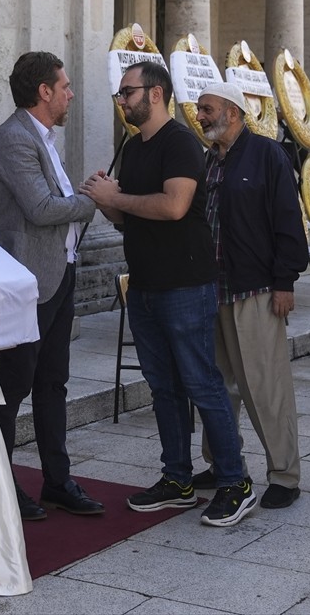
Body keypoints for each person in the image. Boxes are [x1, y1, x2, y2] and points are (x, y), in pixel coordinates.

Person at [80, 61, 254, 528]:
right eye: (120, 94)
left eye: (127, 92)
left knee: (201, 383)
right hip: (146, 284)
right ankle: (176, 479)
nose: (121, 100)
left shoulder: (180, 143)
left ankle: (234, 481)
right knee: (163, 388)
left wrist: (118, 200)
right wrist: (106, 201)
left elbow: (175, 206)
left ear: (155, 94)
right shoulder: (134, 148)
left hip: (185, 283)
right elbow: (129, 218)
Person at [0, 51, 103, 520]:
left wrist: (77, 198)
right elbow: (41, 209)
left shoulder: (44, 137)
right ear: (43, 92)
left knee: (53, 383)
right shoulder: (13, 138)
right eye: (65, 86)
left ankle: (57, 480)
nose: (72, 94)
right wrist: (91, 199)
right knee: (12, 386)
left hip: (58, 272)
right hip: (25, 280)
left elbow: (54, 203)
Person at [190, 81, 309, 509]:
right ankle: (224, 463)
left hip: (256, 289)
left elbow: (287, 222)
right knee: (218, 386)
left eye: (206, 109)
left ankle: (284, 473)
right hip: (213, 291)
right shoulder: (208, 159)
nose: (199, 116)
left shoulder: (267, 155)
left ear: (234, 113)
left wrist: (285, 282)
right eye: (200, 109)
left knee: (264, 385)